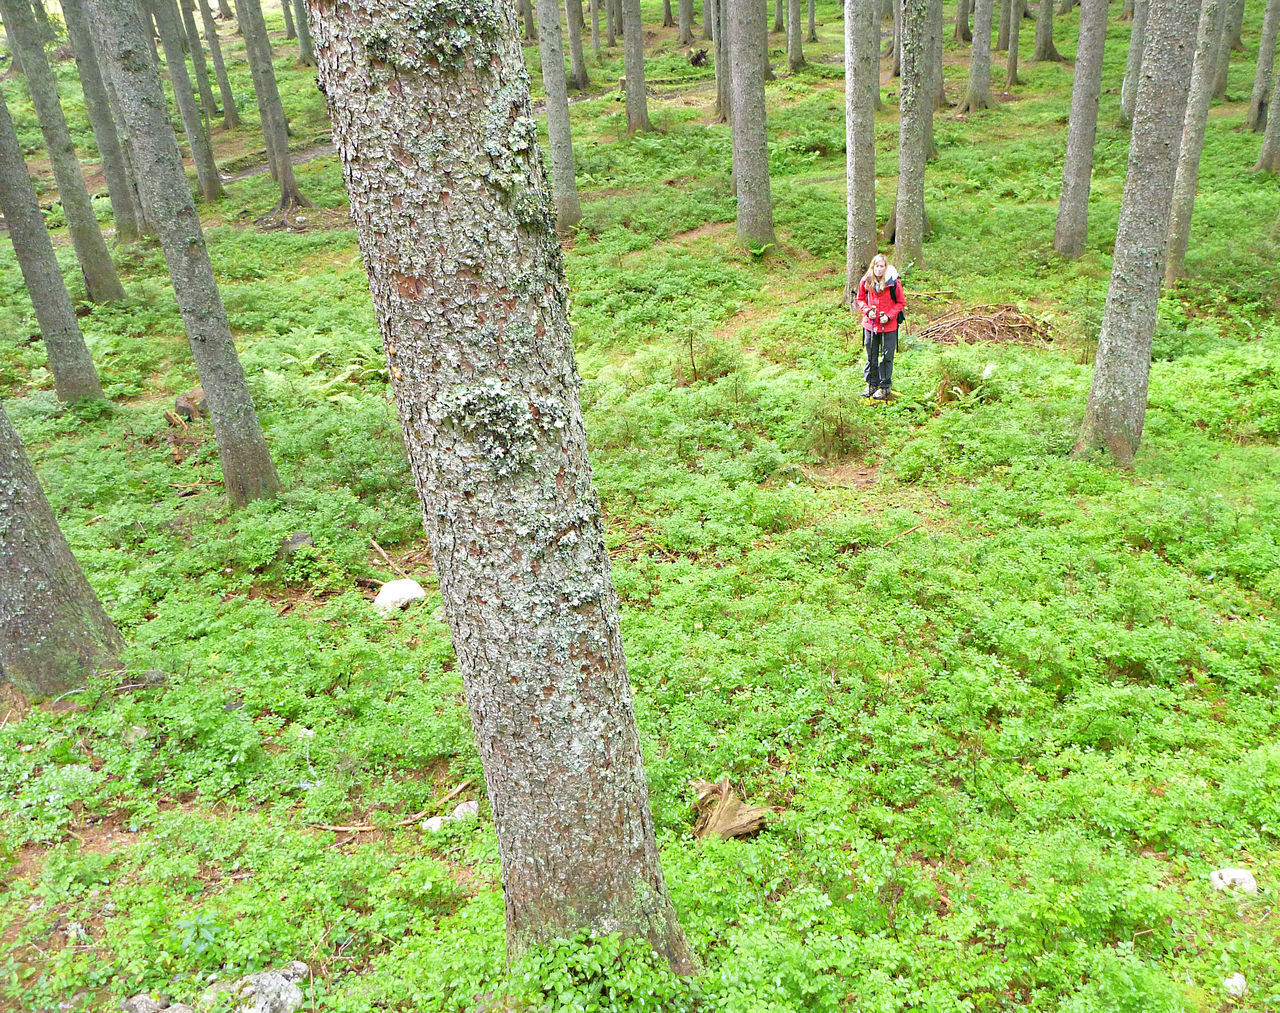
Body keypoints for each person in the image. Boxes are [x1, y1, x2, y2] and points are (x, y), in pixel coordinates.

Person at [855, 254, 905, 400]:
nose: (879, 269)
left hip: (888, 326)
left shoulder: (893, 282)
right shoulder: (866, 280)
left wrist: (888, 316)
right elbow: (860, 298)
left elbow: (901, 302)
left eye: (882, 266)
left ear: (885, 267)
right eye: (876, 266)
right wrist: (867, 310)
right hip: (870, 325)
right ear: (873, 266)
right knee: (871, 355)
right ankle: (871, 384)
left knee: (886, 357)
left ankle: (885, 386)